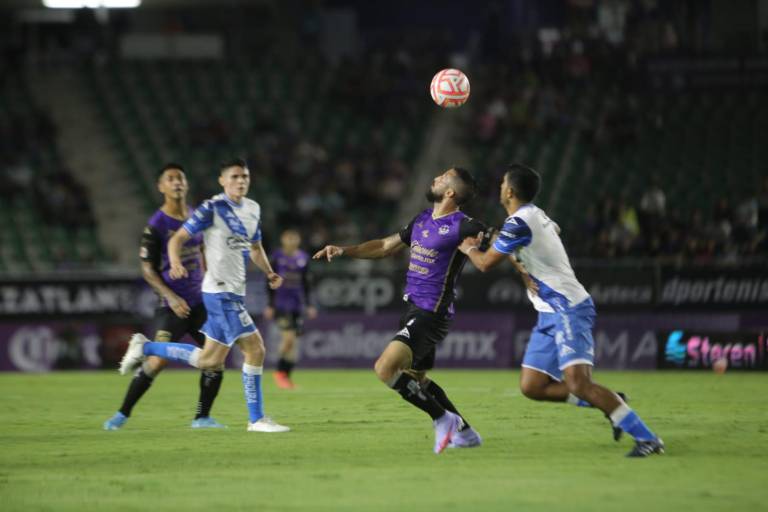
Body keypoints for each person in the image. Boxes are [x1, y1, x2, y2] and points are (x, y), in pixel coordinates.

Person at [459, 163, 664, 457]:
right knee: (532, 386)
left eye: (504, 182)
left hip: (568, 307)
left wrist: (466, 248)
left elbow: (484, 263)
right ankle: (611, 401)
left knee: (578, 383)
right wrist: (524, 266)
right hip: (548, 312)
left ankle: (648, 439)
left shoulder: (518, 222)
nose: (501, 186)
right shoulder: (536, 215)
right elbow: (550, 233)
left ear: (510, 191)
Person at [313, 167, 486, 454]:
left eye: (443, 177)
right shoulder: (421, 219)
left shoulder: (465, 226)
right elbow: (383, 246)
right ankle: (466, 433)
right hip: (413, 309)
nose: (435, 178)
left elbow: (503, 244)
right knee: (417, 380)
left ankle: (443, 419)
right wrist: (345, 250)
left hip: (432, 313)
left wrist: (529, 259)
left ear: (451, 192)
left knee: (385, 368)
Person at [118, 158, 290, 433]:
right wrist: (174, 262)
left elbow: (255, 248)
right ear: (222, 181)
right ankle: (256, 419)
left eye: (245, 176)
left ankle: (145, 347)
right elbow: (177, 239)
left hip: (234, 291)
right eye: (234, 176)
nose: (241, 181)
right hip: (219, 291)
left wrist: (269, 273)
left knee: (210, 360)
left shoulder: (252, 209)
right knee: (255, 349)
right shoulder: (212, 208)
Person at [104, 163, 224, 430]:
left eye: (180, 177)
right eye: (170, 179)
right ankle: (121, 414)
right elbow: (147, 269)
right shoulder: (157, 225)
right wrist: (170, 297)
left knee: (215, 359)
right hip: (171, 306)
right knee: (157, 363)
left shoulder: (195, 216)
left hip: (200, 303)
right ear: (161, 187)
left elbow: (202, 250)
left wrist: (209, 280)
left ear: (187, 184)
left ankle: (202, 418)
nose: (177, 182)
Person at [263, 229, 317, 389]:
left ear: (298, 240)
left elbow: (306, 283)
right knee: (288, 339)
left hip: (297, 304)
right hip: (281, 304)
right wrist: (270, 304)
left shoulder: (303, 258)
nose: (292, 241)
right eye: (289, 238)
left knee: (293, 344)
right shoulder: (277, 257)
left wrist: (309, 304)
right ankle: (279, 373)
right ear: (283, 239)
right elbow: (268, 281)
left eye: (294, 238)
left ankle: (286, 377)